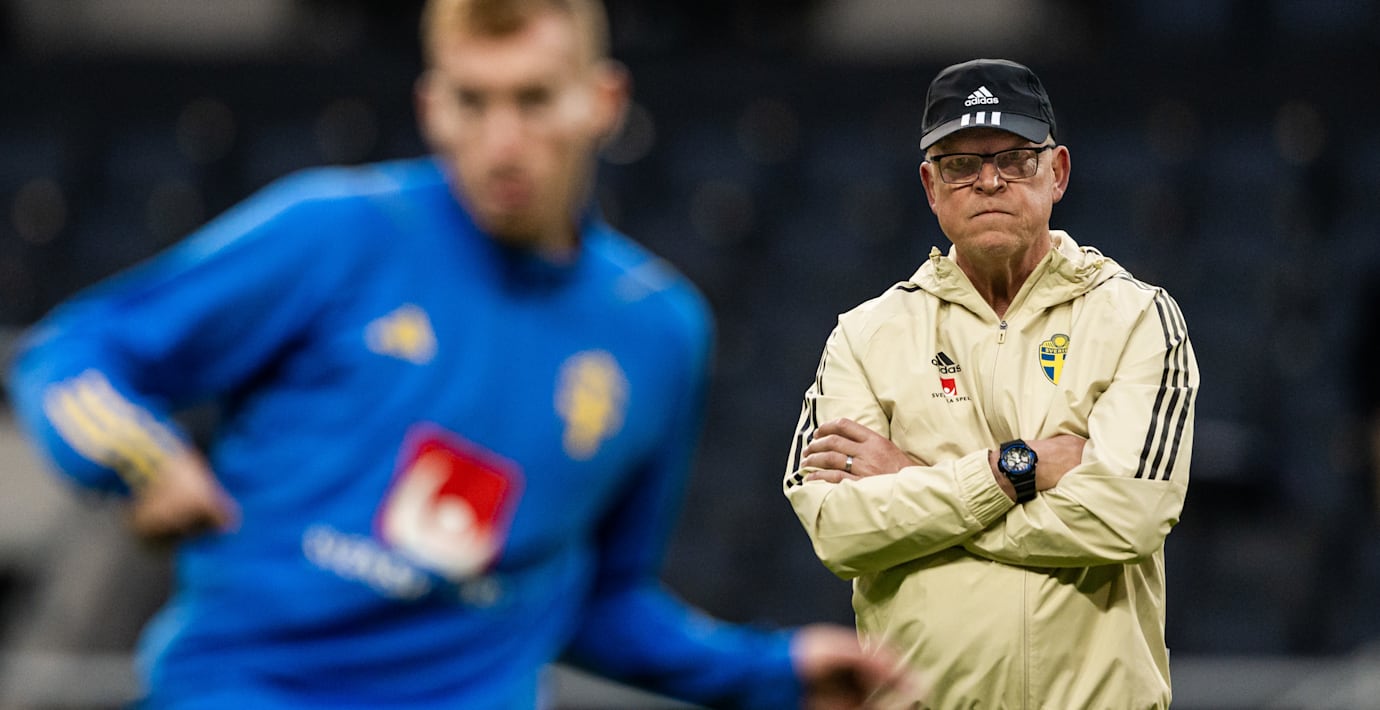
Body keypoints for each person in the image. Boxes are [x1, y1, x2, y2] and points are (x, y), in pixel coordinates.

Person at [4, 1, 924, 707]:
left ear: (602, 103)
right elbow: (71, 351)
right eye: (473, 101)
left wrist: (772, 671)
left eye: (533, 99)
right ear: (431, 105)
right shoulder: (333, 233)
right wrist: (133, 456)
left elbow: (597, 601)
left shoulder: (658, 332)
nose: (501, 141)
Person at [782, 58, 1199, 708]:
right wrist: (1015, 471)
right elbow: (839, 530)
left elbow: (1126, 518)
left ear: (1057, 172)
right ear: (931, 185)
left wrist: (912, 480)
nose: (989, 181)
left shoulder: (1137, 318)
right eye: (960, 164)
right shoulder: (864, 336)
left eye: (1015, 159)